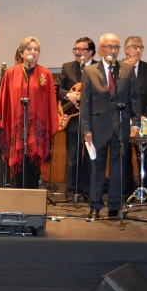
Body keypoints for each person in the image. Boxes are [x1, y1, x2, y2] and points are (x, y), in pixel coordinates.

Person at [80, 33, 141, 220]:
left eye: (116, 47)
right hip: (97, 127)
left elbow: (134, 99)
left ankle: (115, 205)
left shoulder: (126, 70)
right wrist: (86, 129)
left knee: (118, 167)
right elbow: (85, 103)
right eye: (109, 47)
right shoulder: (90, 72)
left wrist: (135, 123)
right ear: (100, 49)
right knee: (97, 167)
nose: (113, 51)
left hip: (121, 126)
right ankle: (95, 204)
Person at [0, 37, 58, 189]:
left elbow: (50, 104)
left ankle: (32, 207)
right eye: (29, 49)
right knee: (18, 170)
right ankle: (18, 205)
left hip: (36, 131)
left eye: (36, 49)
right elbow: (4, 102)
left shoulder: (46, 74)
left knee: (33, 173)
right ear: (21, 53)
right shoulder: (10, 74)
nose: (33, 52)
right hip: (16, 129)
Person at [54, 37, 96, 201]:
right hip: (72, 119)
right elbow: (56, 88)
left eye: (81, 49)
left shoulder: (98, 68)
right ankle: (71, 193)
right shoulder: (67, 67)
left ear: (91, 52)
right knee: (72, 158)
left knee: (91, 158)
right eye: (76, 49)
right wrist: (68, 95)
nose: (78, 53)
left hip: (92, 120)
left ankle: (88, 192)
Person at [122, 36, 147, 200]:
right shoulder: (119, 68)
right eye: (134, 47)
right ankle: (126, 190)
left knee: (144, 155)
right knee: (124, 156)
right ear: (126, 49)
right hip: (123, 119)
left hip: (143, 119)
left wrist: (145, 116)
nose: (138, 50)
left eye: (141, 47)